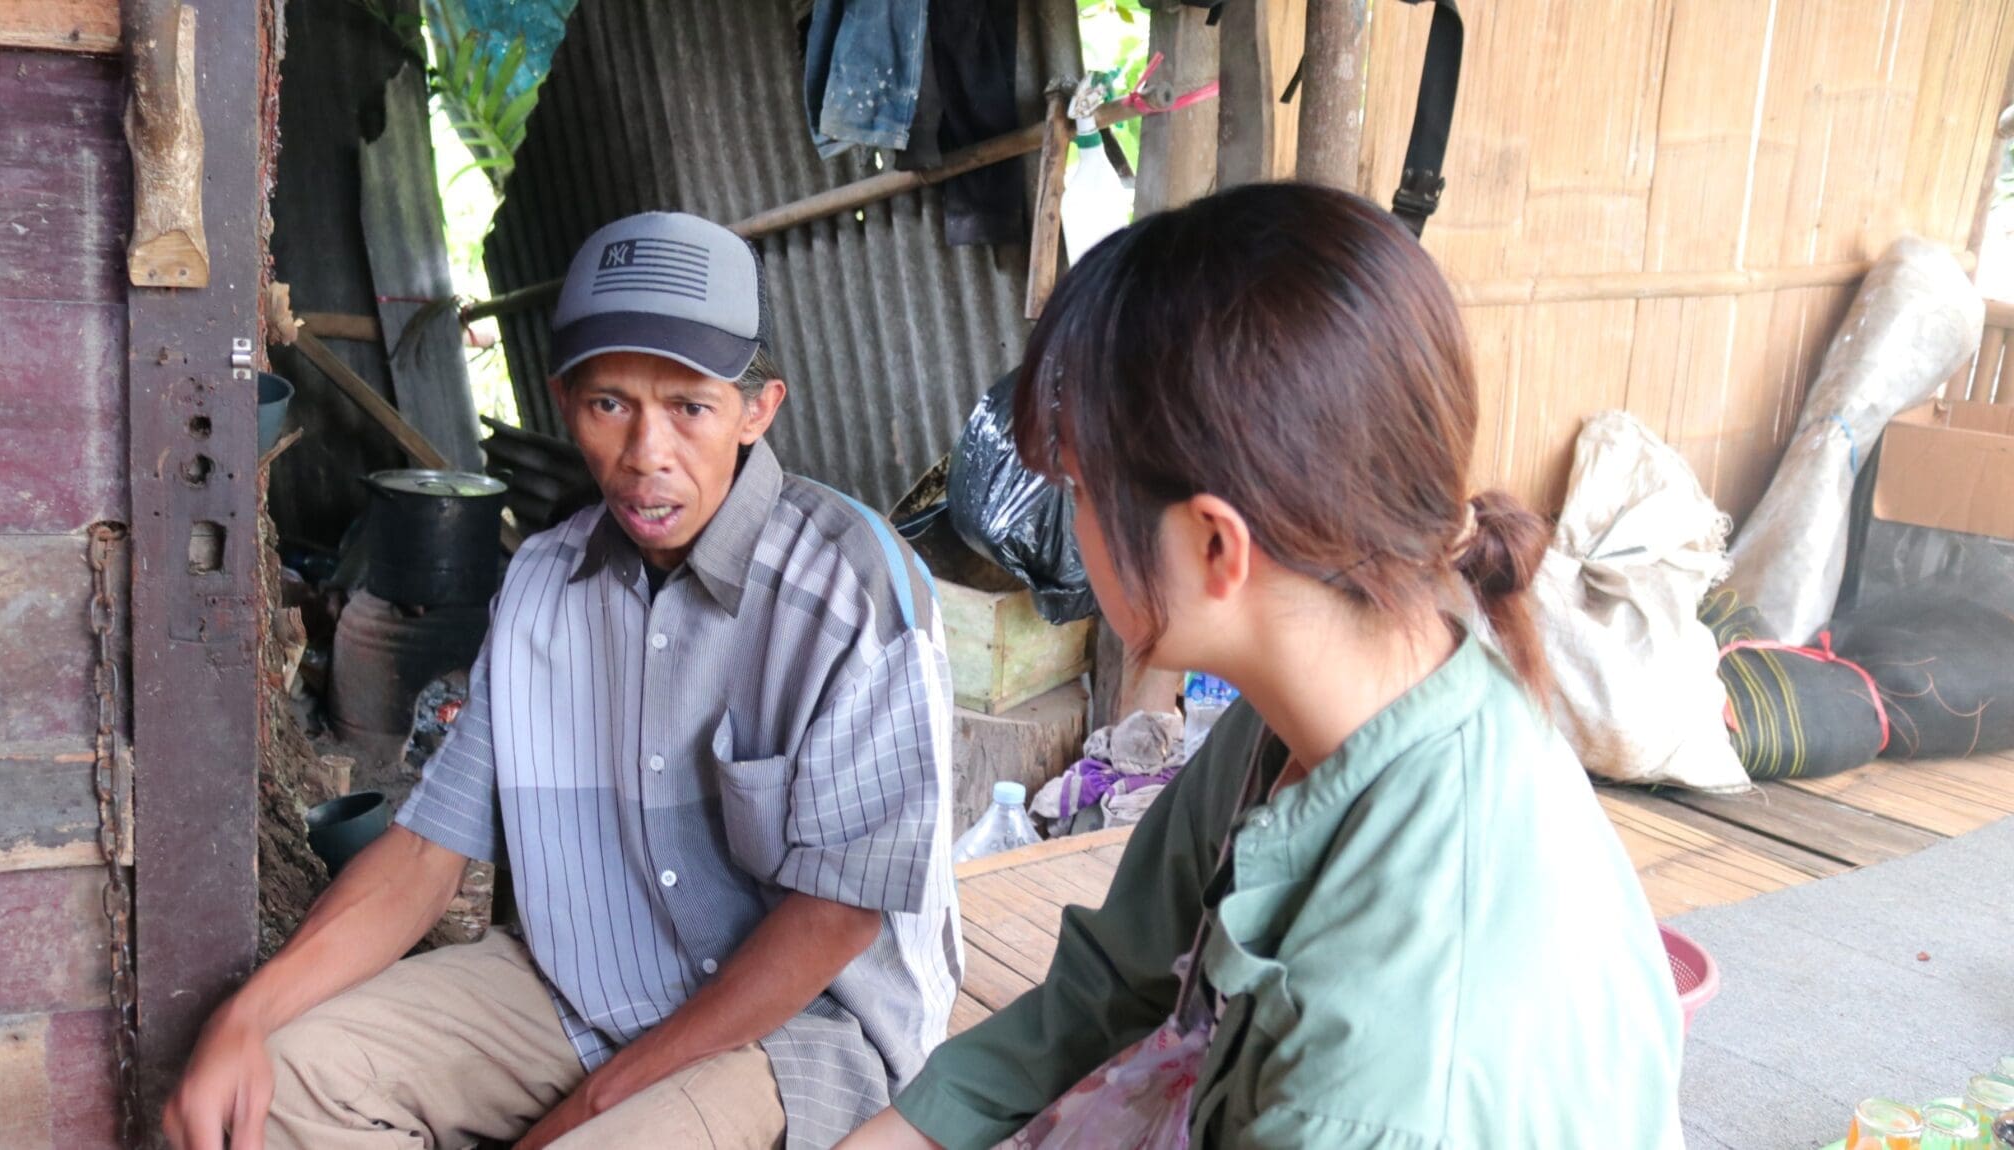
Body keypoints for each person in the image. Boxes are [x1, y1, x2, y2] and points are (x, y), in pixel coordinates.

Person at [843, 183, 1685, 1149]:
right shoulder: (1324, 697)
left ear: (1214, 547)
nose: (1073, 529)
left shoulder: (1389, 1075)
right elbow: (1117, 983)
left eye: (1080, 491)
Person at [163, 211, 962, 1150]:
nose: (645, 453)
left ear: (758, 409)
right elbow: (428, 854)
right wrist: (245, 1019)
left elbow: (835, 919)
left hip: (794, 1033)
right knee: (285, 1081)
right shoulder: (543, 582)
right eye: (608, 403)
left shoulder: (854, 590)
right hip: (579, 986)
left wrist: (587, 1110)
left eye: (690, 407)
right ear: (562, 402)